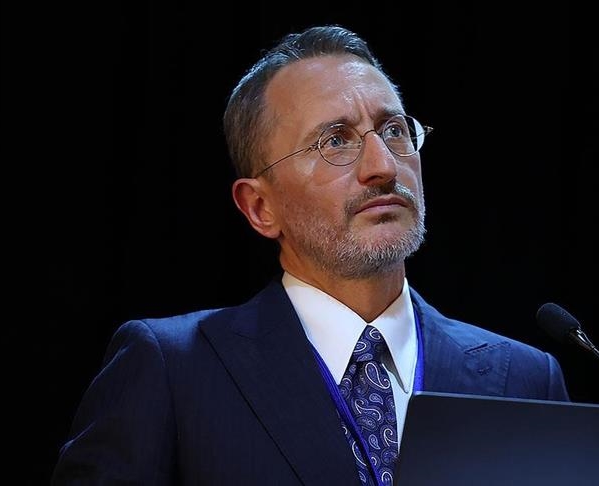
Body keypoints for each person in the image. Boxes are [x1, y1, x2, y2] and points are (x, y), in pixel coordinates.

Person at [50, 24, 570, 486]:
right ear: (260, 207)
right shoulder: (173, 369)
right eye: (335, 141)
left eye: (394, 130)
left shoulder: (525, 381)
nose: (383, 166)